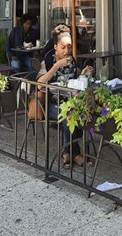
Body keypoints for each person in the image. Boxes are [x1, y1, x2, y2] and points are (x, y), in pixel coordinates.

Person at [36, 32, 93, 168]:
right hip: (50, 104)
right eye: (63, 47)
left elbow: (73, 81)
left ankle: (68, 152)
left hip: (70, 101)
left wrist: (83, 74)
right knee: (70, 115)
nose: (67, 51)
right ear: (55, 46)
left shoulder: (71, 60)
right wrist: (56, 66)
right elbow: (39, 83)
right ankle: (75, 153)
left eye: (69, 47)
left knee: (82, 112)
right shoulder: (48, 61)